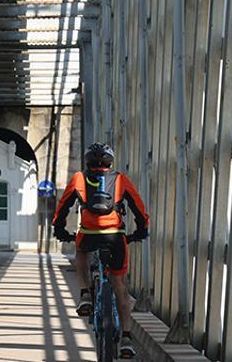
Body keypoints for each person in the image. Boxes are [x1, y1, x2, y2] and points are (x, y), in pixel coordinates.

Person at [51, 143, 149, 359]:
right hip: (115, 236)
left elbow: (63, 206)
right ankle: (126, 338)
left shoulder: (79, 178)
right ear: (110, 162)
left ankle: (85, 294)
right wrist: (142, 230)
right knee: (120, 286)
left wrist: (59, 229)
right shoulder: (121, 179)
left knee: (81, 249)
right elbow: (139, 208)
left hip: (88, 232)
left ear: (87, 162)